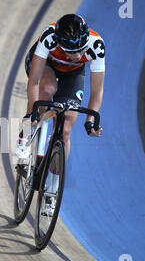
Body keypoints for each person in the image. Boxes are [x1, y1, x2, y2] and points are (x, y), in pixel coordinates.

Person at [16, 13, 105, 161]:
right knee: (47, 89)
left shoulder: (97, 45)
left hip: (72, 72)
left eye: (81, 50)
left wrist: (90, 121)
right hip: (47, 65)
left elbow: (97, 90)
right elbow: (34, 80)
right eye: (70, 51)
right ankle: (26, 133)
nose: (77, 56)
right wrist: (32, 112)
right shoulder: (49, 36)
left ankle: (54, 179)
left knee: (65, 129)